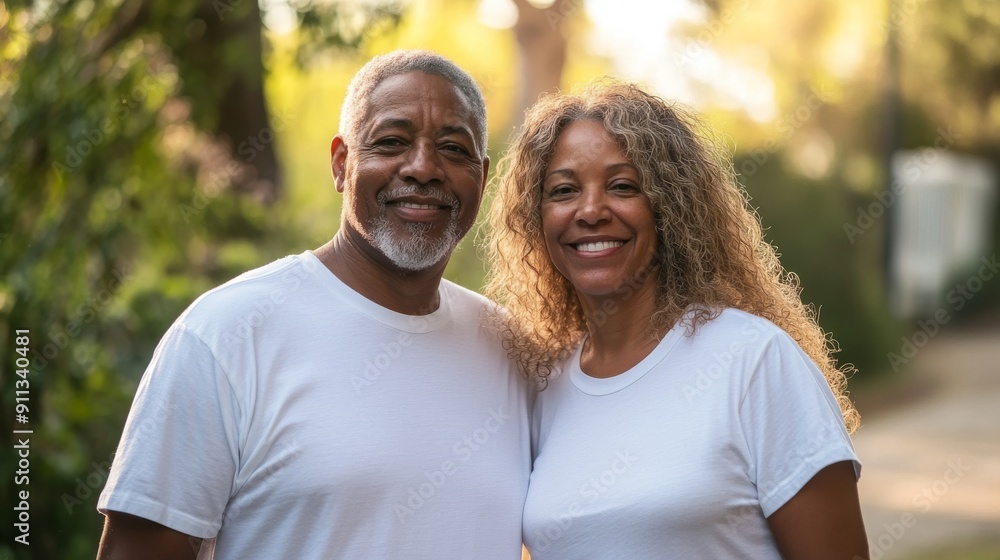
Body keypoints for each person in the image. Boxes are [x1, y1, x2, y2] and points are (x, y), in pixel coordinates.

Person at [97, 50, 532, 560]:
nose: (422, 168)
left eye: (452, 149)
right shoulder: (226, 333)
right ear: (342, 163)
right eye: (391, 142)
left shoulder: (513, 350)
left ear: (481, 177)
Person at [484, 81, 868, 559]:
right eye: (563, 191)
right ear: (535, 218)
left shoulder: (753, 361)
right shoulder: (542, 387)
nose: (590, 210)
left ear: (671, 205)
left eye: (622, 186)